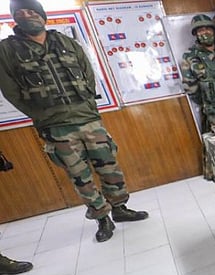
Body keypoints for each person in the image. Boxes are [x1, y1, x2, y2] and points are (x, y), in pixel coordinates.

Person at [0, 0, 148, 243]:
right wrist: (41, 116)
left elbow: (88, 74)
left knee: (109, 166)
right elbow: (10, 91)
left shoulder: (67, 42)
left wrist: (89, 106)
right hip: (56, 126)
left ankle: (120, 209)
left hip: (88, 118)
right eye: (21, 12)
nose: (28, 15)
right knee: (80, 176)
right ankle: (102, 219)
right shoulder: (7, 50)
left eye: (32, 11)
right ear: (15, 19)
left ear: (41, 15)